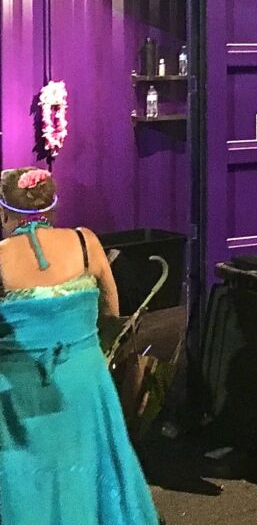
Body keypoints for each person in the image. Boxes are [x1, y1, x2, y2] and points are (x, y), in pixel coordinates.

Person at [0, 167, 159, 525]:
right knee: (87, 473)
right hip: (85, 384)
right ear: (52, 207)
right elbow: (112, 312)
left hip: (21, 395)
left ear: (4, 212)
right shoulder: (86, 243)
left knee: (27, 483)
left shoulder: (1, 259)